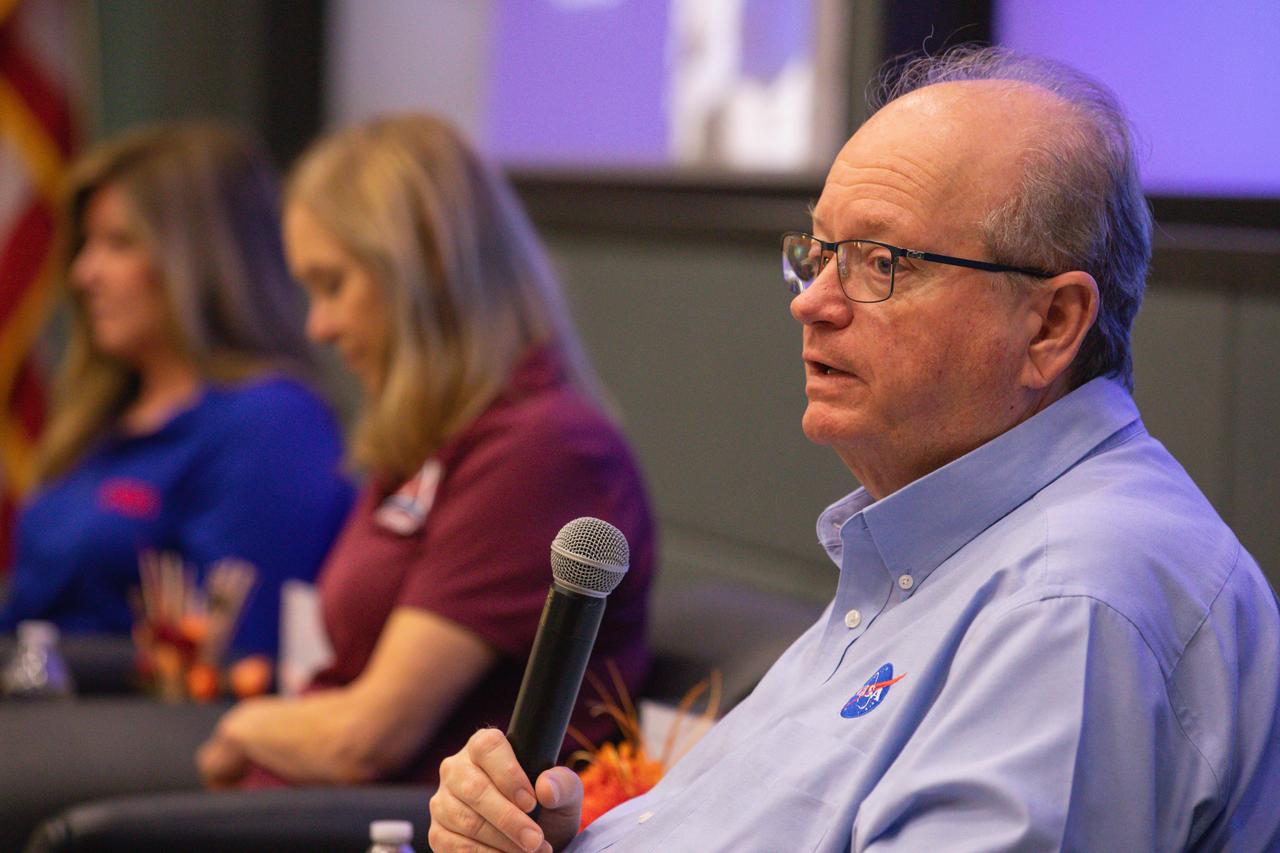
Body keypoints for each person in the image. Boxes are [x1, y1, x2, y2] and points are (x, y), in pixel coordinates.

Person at [428, 46, 1280, 853]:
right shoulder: (932, 550)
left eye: (882, 263)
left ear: (1050, 326)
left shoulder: (1072, 604)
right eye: (818, 252)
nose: (814, 303)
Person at [196, 114, 654, 788]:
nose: (316, 326)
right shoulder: (436, 437)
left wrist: (242, 725)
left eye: (332, 284)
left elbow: (363, 741)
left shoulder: (544, 451)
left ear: (429, 272)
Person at [0, 123, 353, 660]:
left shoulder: (271, 421)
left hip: (145, 735)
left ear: (199, 259)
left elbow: (234, 658)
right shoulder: (95, 420)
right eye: (85, 245)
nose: (82, 273)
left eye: (118, 243)